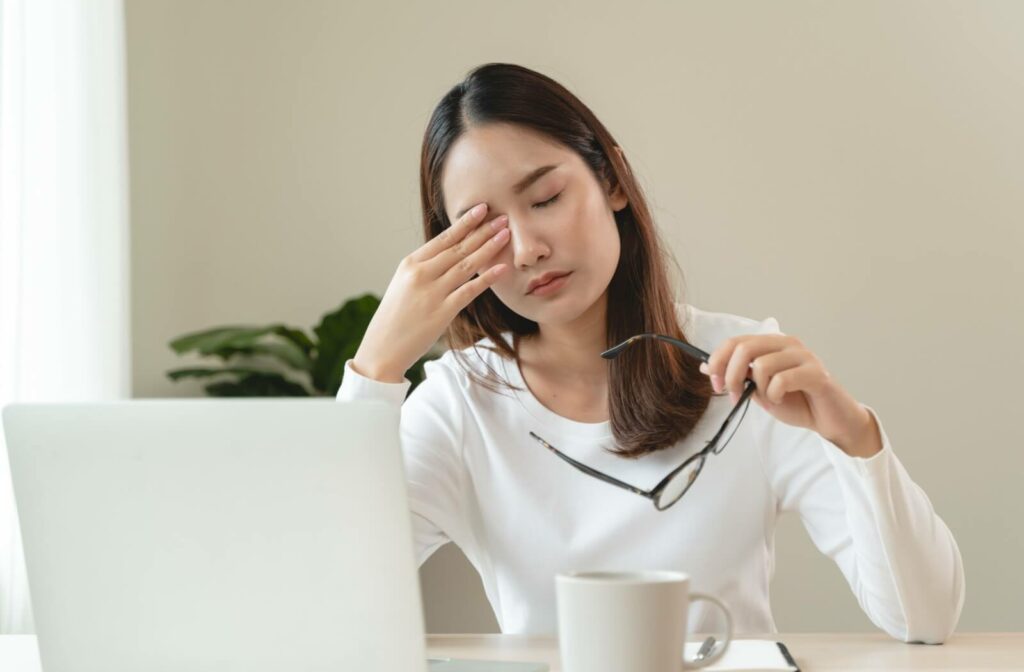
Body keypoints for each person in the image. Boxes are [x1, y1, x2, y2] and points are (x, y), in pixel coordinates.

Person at [337, 62, 964, 643]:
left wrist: (852, 435)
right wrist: (375, 369)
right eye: (485, 228)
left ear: (611, 180)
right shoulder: (460, 402)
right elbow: (325, 601)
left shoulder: (742, 368)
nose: (527, 248)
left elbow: (924, 619)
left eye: (546, 199)